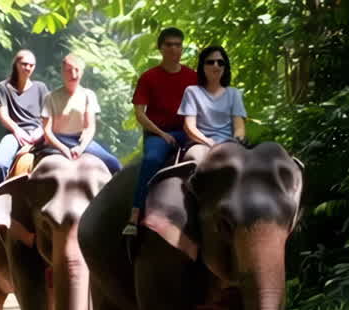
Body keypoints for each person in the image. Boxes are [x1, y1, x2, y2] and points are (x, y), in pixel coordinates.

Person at [123, 27, 198, 237]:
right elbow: (139, 113)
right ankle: (135, 215)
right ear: (160, 48)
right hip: (159, 134)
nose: (174, 49)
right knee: (152, 160)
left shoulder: (193, 76)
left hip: (188, 132)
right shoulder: (149, 77)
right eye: (169, 45)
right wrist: (162, 134)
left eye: (178, 45)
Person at [41, 54, 122, 174]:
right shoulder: (50, 97)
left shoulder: (89, 95)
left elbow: (90, 128)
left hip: (81, 141)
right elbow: (47, 131)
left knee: (114, 164)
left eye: (76, 70)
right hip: (56, 141)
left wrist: (80, 148)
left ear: (82, 72)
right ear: (62, 73)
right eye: (69, 71)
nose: (73, 75)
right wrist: (63, 149)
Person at [0, 49, 48, 188]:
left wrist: (41, 130)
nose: (28, 68)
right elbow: (2, 114)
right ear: (16, 64)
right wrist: (16, 130)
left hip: (40, 134)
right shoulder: (3, 87)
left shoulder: (41, 87)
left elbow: (49, 113)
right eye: (24, 64)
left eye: (31, 65)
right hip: (15, 135)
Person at [179, 45, 247, 163]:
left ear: (225, 68)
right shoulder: (192, 91)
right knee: (198, 161)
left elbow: (239, 127)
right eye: (210, 62)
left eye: (220, 63)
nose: (216, 65)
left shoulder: (234, 93)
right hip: (200, 144)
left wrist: (235, 143)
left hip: (229, 144)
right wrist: (210, 143)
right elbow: (189, 127)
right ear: (202, 67)